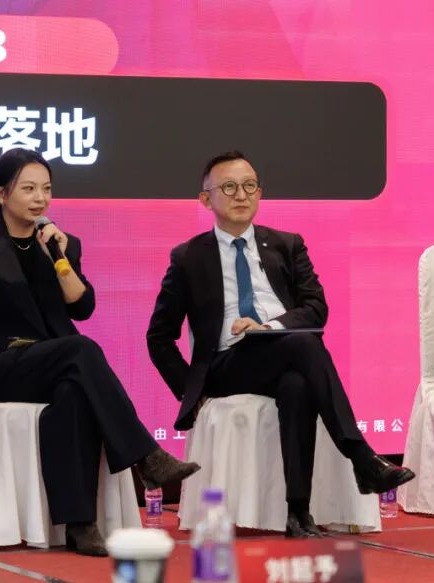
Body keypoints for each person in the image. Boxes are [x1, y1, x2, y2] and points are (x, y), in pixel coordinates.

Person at [0, 148, 199, 556]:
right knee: (81, 350)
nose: (40, 198)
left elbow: (82, 306)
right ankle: (146, 456)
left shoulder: (60, 243)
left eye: (46, 188)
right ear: (1, 194)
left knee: (75, 394)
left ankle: (80, 524)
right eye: (28, 189)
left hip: (51, 364)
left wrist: (58, 258)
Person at [146, 151, 415, 538]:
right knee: (305, 347)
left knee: (297, 384)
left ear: (260, 193)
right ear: (206, 199)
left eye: (249, 186)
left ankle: (297, 512)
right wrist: (192, 390)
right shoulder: (188, 257)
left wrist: (267, 327)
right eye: (229, 187)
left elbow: (316, 308)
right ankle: (362, 457)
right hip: (227, 365)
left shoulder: (287, 244)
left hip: (279, 350)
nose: (242, 195)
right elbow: (158, 337)